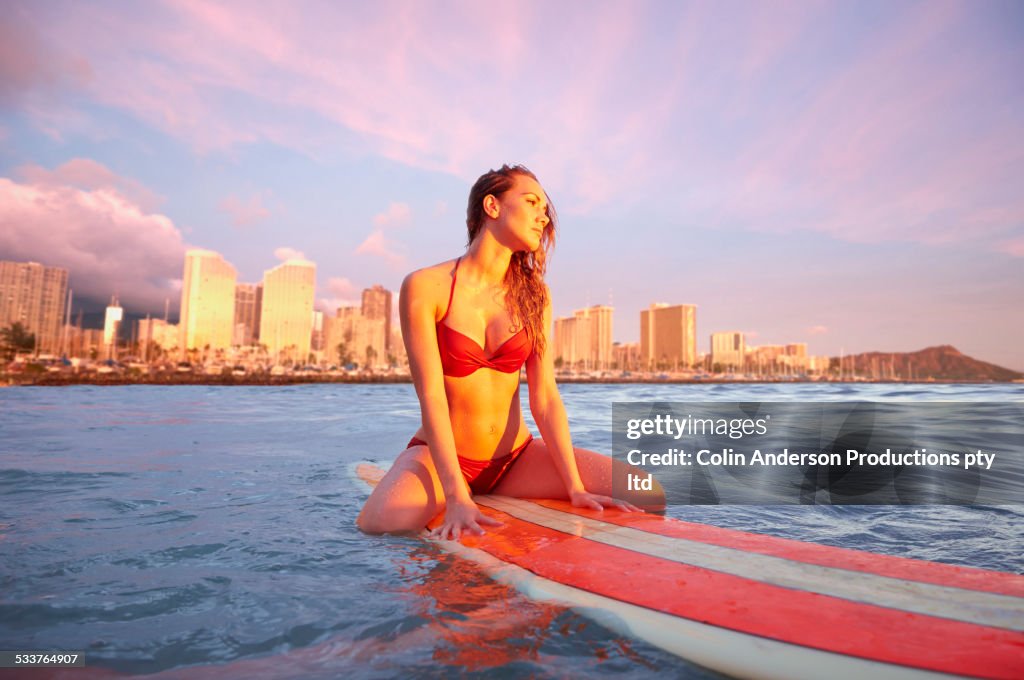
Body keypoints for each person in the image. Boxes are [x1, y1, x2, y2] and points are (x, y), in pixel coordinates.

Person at [357, 164, 664, 539]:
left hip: (515, 460)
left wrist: (574, 487)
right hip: (445, 459)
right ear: (492, 205)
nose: (543, 215)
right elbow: (432, 396)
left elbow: (546, 398)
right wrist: (455, 496)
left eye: (544, 208)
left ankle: (478, 491)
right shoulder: (426, 287)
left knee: (647, 492)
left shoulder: (535, 296)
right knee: (379, 524)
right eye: (531, 201)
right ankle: (431, 482)